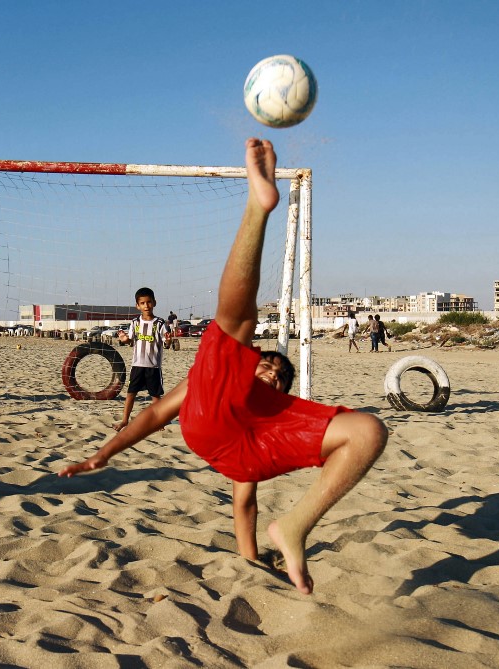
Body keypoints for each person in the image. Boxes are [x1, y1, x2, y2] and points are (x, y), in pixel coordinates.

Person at [60, 138, 388, 595]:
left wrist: (250, 559)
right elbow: (156, 414)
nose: (271, 370)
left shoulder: (274, 418)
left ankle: (293, 529)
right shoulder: (219, 376)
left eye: (279, 374)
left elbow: (244, 506)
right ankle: (258, 206)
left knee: (368, 431)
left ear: (285, 388)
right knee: (239, 321)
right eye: (266, 365)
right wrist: (106, 452)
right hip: (211, 418)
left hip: (252, 440)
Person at [112, 288, 172, 431]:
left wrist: (169, 341)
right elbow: (131, 341)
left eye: (149, 302)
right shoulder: (135, 323)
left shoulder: (160, 323)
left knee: (155, 396)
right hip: (137, 365)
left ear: (154, 303)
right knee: (131, 393)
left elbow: (166, 344)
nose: (146, 306)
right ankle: (125, 420)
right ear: (137, 306)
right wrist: (125, 339)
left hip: (153, 367)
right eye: (143, 303)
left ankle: (159, 422)